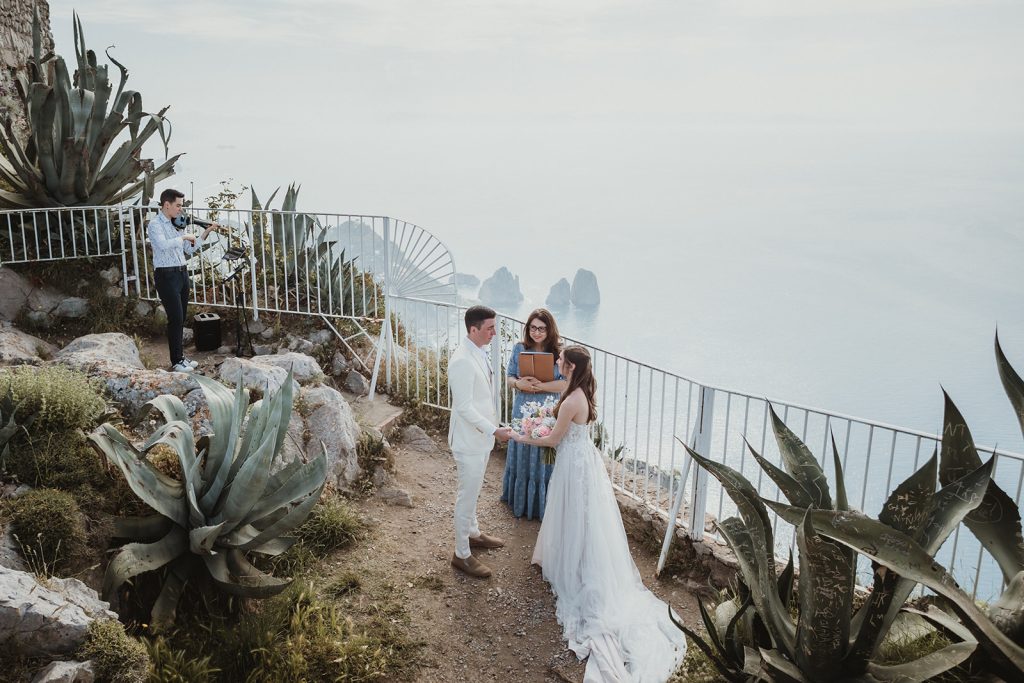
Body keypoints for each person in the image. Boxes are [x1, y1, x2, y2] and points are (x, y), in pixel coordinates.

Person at [513, 345, 687, 681]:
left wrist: (523, 436)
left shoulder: (574, 398)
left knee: (576, 516)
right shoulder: (577, 390)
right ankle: (569, 558)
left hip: (574, 465)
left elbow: (552, 441)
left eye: (562, 360)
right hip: (581, 462)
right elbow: (556, 409)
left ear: (573, 365)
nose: (557, 362)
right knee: (581, 518)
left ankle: (576, 567)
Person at [447, 305, 513, 578]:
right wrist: (493, 430)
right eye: (490, 328)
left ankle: (473, 533)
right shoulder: (462, 360)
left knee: (473, 492)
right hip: (469, 440)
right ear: (473, 329)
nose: (494, 333)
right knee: (467, 496)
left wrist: (491, 429)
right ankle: (461, 554)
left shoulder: (478, 351)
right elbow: (463, 407)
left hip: (481, 438)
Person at [501, 308, 568, 519]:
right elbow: (510, 377)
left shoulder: (560, 352)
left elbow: (565, 384)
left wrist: (540, 386)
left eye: (541, 328)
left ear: (550, 330)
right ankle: (519, 502)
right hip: (523, 406)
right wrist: (518, 383)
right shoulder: (519, 348)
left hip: (548, 407)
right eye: (533, 328)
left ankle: (542, 506)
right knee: (522, 446)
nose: (537, 332)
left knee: (543, 452)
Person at [147, 188, 222, 373]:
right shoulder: (155, 224)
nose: (181, 209)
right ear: (167, 205)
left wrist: (205, 233)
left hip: (181, 273)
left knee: (181, 318)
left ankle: (180, 357)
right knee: (175, 318)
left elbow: (189, 250)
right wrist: (183, 237)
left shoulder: (178, 224)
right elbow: (162, 246)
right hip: (166, 275)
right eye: (178, 205)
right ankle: (176, 361)